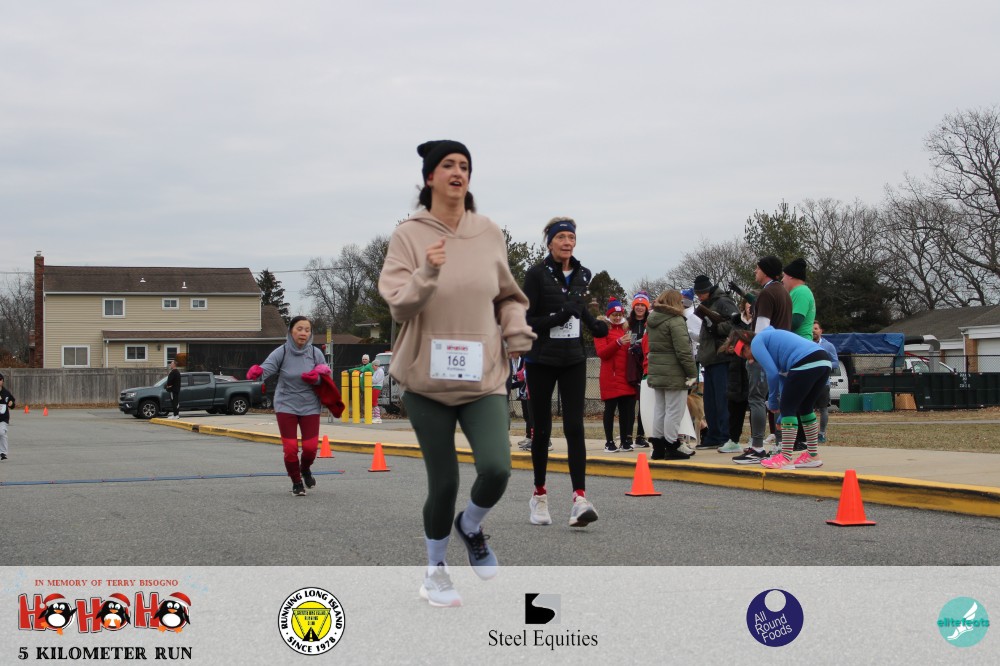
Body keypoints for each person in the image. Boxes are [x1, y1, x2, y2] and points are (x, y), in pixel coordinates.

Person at [378, 139, 535, 608]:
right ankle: (436, 572)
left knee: (497, 467)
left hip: (483, 377)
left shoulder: (488, 232)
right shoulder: (408, 235)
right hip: (426, 381)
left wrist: (515, 329)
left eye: (464, 165)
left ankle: (470, 525)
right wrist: (427, 271)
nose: (457, 172)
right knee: (443, 482)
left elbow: (507, 296)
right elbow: (398, 304)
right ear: (429, 177)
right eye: (447, 165)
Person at [522, 216, 609, 528]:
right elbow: (527, 321)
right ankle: (539, 495)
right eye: (561, 238)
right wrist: (560, 316)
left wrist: (595, 325)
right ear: (550, 243)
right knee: (542, 430)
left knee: (575, 428)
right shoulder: (535, 275)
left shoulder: (583, 274)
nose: (567, 242)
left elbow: (579, 308)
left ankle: (579, 499)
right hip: (541, 360)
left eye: (571, 237)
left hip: (573, 358)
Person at [246, 316, 331, 497]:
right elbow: (266, 368)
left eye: (307, 330)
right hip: (286, 404)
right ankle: (296, 482)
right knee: (291, 448)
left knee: (310, 449)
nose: (303, 333)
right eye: (299, 329)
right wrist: (258, 372)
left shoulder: (315, 353)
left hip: (310, 405)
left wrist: (316, 379)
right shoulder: (282, 352)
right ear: (291, 331)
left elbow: (325, 376)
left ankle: (305, 469)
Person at [726, 328, 830, 469]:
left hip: (804, 362)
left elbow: (772, 374)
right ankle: (812, 455)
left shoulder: (756, 342)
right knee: (805, 408)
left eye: (744, 355)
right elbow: (783, 380)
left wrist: (773, 401)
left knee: (789, 409)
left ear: (746, 345)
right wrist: (782, 412)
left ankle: (785, 458)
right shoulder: (772, 342)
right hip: (823, 360)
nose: (749, 360)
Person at [734, 255, 792, 465]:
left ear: (765, 271)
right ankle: (781, 446)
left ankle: (757, 447)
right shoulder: (783, 292)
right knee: (778, 400)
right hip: (782, 353)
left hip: (766, 353)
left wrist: (755, 354)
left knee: (757, 399)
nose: (755, 272)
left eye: (757, 268)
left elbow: (762, 329)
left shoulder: (767, 293)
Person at [642, 290, 697, 460]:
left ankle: (658, 447)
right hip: (674, 371)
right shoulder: (675, 320)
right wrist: (692, 373)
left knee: (660, 408)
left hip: (657, 369)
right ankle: (671, 444)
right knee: (674, 410)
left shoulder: (653, 320)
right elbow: (683, 350)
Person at [692, 274, 738, 450]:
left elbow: (736, 323)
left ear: (707, 290)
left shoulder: (723, 302)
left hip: (722, 358)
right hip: (710, 358)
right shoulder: (709, 304)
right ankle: (713, 435)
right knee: (710, 402)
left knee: (722, 400)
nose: (698, 297)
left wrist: (716, 327)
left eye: (700, 293)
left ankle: (724, 435)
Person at [594, 297, 637, 453]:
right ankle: (609, 442)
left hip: (626, 376)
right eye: (614, 315)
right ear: (609, 315)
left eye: (620, 315)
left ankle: (625, 441)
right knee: (610, 410)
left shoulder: (626, 329)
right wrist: (618, 342)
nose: (617, 317)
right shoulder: (601, 329)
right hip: (610, 376)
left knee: (626, 411)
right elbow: (602, 353)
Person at [719, 295, 754, 454]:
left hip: (752, 368)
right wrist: (729, 349)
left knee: (755, 404)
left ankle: (755, 439)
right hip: (735, 370)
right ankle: (733, 440)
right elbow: (724, 347)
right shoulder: (735, 322)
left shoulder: (760, 321)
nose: (750, 306)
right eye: (748, 303)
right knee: (734, 407)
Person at [627, 290, 652, 448]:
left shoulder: (649, 323)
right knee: (630, 403)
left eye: (643, 305)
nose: (640, 308)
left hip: (645, 365)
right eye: (638, 305)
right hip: (630, 366)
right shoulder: (628, 324)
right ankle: (628, 436)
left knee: (644, 403)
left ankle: (641, 436)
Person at [813, 320, 840, 443]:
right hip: (808, 383)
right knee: (807, 409)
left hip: (823, 383)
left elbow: (835, 363)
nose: (813, 331)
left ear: (821, 331)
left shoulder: (828, 346)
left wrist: (824, 364)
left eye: (816, 329)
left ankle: (822, 433)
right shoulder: (805, 343)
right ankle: (810, 434)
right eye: (811, 329)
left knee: (823, 409)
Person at [783, 258, 815, 340]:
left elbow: (796, 321)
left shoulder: (801, 291)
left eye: (784, 276)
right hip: (797, 342)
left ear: (790, 276)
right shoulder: (798, 291)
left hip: (800, 342)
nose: (782, 280)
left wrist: (773, 327)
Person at [0, 373, 16, 461]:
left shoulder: (6, 393)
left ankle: (3, 453)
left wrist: (11, 404)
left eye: (0, 380)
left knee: (2, 433)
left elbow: (12, 402)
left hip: (3, 418)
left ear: (3, 381)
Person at [370, 358, 385, 423]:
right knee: (373, 401)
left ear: (376, 365)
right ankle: (375, 416)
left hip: (377, 387)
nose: (372, 367)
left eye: (373, 366)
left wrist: (369, 377)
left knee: (374, 401)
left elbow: (376, 380)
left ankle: (377, 417)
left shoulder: (380, 371)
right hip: (375, 386)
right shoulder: (377, 371)